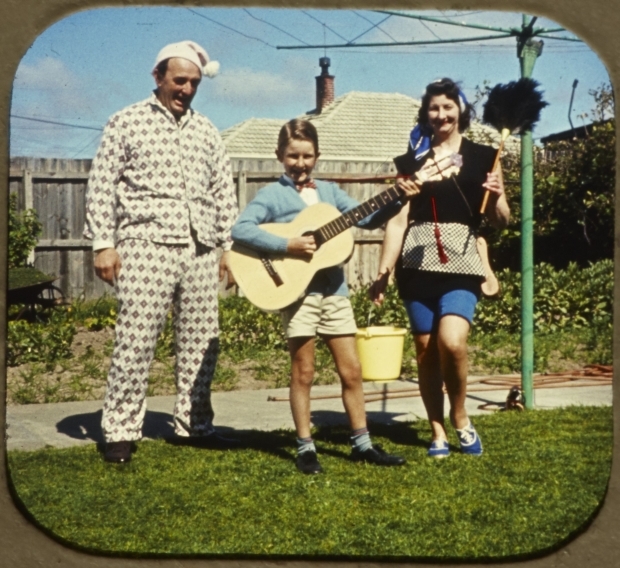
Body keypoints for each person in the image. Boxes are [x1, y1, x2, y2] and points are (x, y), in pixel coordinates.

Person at [84, 41, 239, 463]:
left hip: (201, 248)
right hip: (145, 245)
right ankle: (119, 430)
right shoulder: (126, 122)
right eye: (179, 80)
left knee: (201, 342)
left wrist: (229, 247)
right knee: (136, 341)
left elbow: (223, 190)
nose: (186, 89)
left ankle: (195, 426)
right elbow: (101, 185)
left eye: (193, 82)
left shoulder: (206, 130)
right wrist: (104, 243)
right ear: (158, 77)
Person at [231, 119, 410, 474]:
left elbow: (368, 218)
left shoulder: (328, 192)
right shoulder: (271, 195)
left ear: (317, 156)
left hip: (335, 291)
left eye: (307, 155)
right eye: (293, 156)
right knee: (304, 371)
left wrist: (399, 195)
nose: (300, 163)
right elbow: (241, 228)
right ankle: (305, 447)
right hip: (296, 292)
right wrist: (288, 244)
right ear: (279, 156)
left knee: (353, 370)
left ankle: (362, 444)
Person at [370, 78, 510, 458]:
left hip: (462, 260)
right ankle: (437, 431)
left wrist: (497, 195)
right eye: (434, 108)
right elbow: (397, 223)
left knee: (452, 341)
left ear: (460, 110)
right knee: (426, 351)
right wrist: (383, 272)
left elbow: (502, 220)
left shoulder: (484, 157)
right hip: (415, 263)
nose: (441, 115)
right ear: (426, 113)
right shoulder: (411, 162)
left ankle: (461, 418)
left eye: (448, 107)